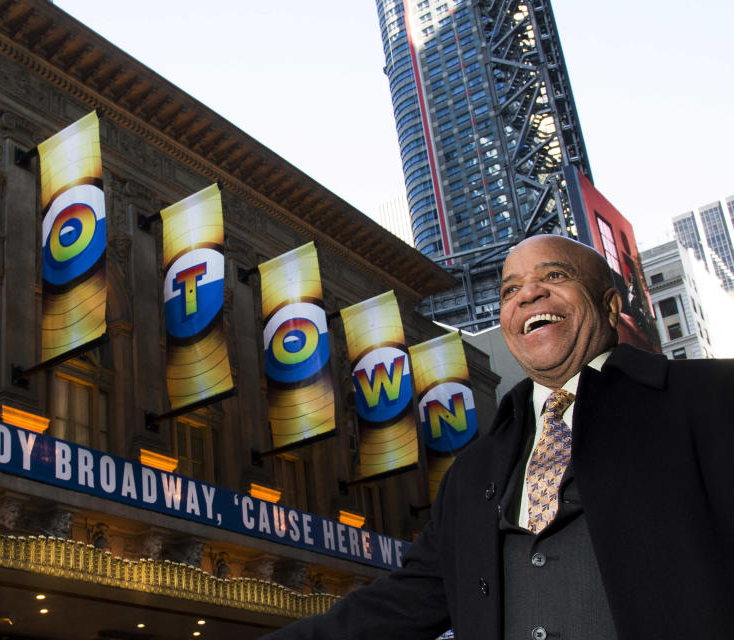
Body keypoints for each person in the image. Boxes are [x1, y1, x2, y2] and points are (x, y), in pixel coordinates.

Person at [263, 234, 734, 640]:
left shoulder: (712, 398)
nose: (528, 295)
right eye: (511, 290)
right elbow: (397, 605)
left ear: (611, 306)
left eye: (554, 276)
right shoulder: (473, 471)